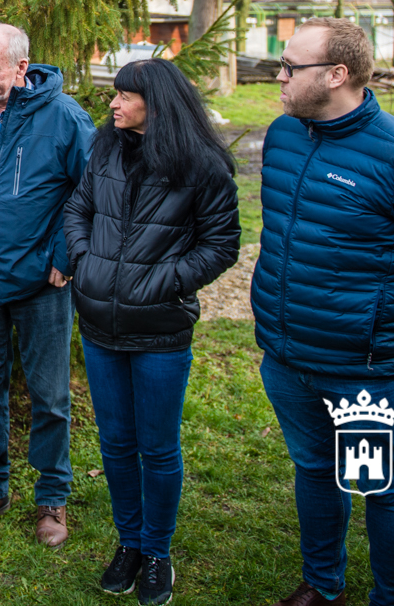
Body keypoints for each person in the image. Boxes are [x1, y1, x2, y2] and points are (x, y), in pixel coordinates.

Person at [253, 18, 394, 606]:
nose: (278, 76)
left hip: (362, 370)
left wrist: (380, 321)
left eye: (290, 67)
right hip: (286, 354)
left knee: (377, 484)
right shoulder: (284, 136)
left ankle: (390, 598)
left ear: (336, 74)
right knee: (313, 468)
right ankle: (323, 586)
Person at [63, 59, 241, 604]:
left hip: (160, 330)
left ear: (154, 103)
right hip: (99, 326)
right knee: (116, 444)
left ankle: (158, 552)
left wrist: (162, 283)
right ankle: (130, 542)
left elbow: (221, 245)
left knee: (157, 448)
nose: (112, 104)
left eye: (123, 96)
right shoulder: (106, 148)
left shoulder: (202, 165)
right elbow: (78, 209)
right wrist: (85, 260)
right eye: (114, 95)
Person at [0, 23, 95, 547]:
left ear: (21, 68)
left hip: (41, 283)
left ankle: (52, 499)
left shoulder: (64, 117)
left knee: (49, 396)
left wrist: (65, 253)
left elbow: (92, 193)